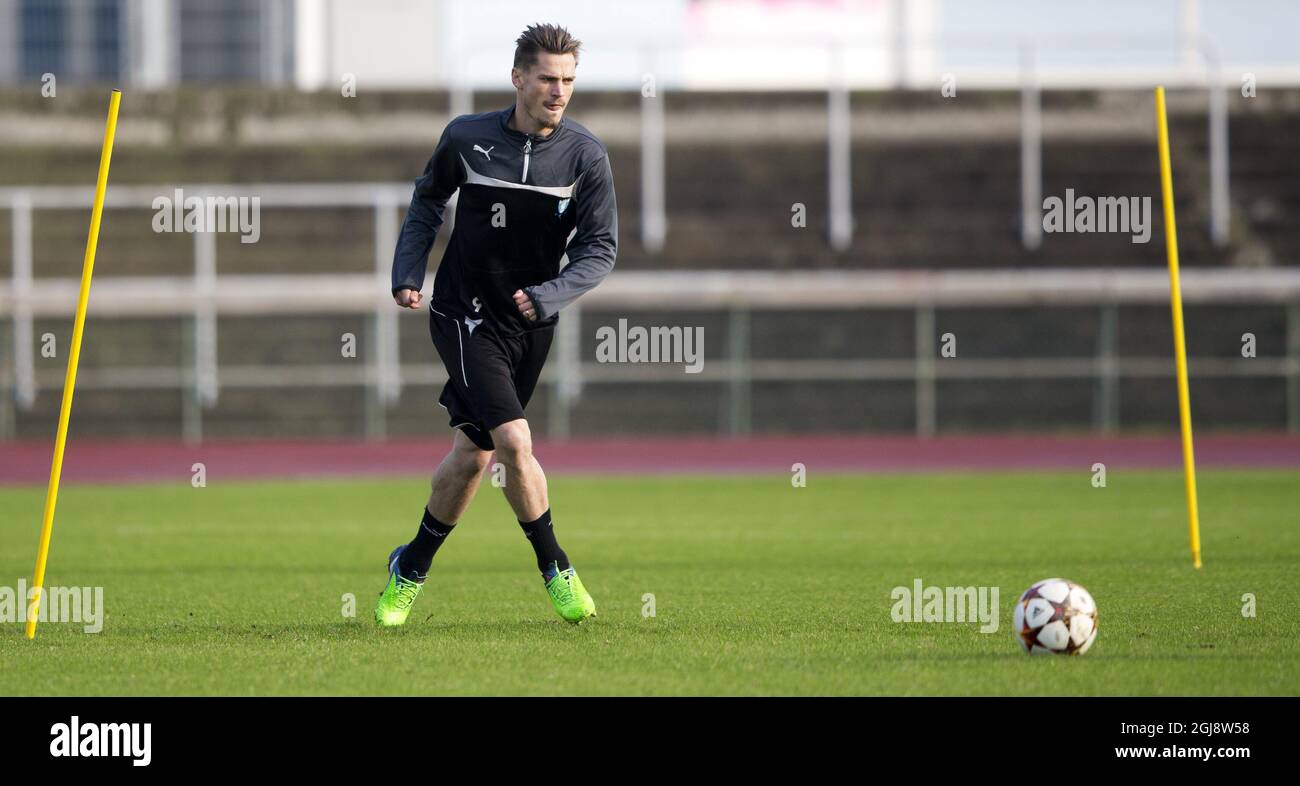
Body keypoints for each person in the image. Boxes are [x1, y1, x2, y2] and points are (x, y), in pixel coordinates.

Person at [376, 23, 617, 626]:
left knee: (473, 456)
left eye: (568, 80)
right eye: (547, 79)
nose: (559, 91)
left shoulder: (586, 156)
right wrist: (409, 269)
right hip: (464, 313)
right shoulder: (466, 138)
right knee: (514, 441)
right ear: (518, 79)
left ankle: (408, 569)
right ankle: (556, 569)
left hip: (530, 323)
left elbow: (600, 248)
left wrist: (550, 295)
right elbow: (428, 199)